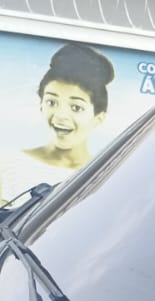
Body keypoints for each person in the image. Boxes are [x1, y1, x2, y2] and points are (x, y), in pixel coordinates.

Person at [1, 42, 115, 204]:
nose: (61, 116)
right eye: (52, 102)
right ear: (41, 105)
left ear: (99, 118)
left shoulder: (104, 179)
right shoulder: (8, 165)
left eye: (76, 107)